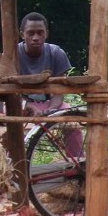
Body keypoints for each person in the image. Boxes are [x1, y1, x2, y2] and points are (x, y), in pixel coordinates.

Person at [18, 11, 82, 155]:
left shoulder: (56, 53)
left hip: (50, 104)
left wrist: (51, 110)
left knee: (73, 123)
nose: (35, 37)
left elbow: (59, 91)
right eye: (30, 33)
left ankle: (78, 161)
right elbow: (11, 93)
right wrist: (28, 106)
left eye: (40, 33)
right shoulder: (14, 54)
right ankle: (16, 161)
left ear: (46, 34)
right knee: (9, 123)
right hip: (22, 103)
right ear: (22, 34)